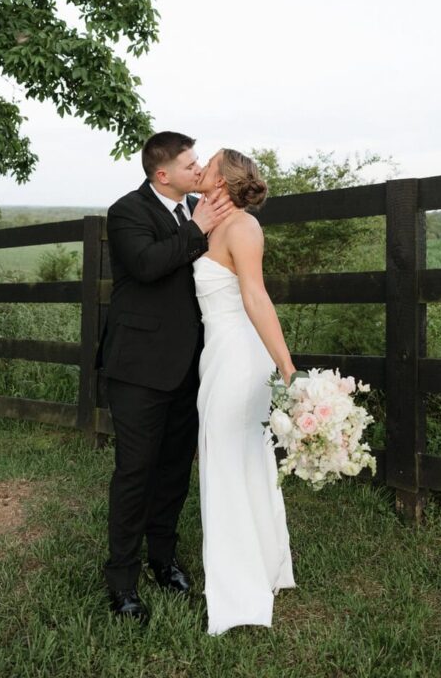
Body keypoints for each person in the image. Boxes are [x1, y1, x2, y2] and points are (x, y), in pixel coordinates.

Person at [96, 131, 233, 624]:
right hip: (137, 368)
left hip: (191, 365)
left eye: (199, 163)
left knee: (175, 470)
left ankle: (163, 559)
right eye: (191, 164)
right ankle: (122, 581)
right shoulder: (128, 211)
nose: (198, 170)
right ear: (162, 174)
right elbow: (148, 265)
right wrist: (195, 228)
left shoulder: (199, 204)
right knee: (135, 474)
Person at [193, 148, 297, 635]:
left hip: (239, 356)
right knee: (230, 458)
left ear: (224, 179)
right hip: (217, 354)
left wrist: (285, 362)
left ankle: (240, 589)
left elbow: (256, 296)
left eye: (208, 164)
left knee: (232, 461)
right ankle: (259, 565)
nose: (200, 169)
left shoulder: (244, 228)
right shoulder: (210, 224)